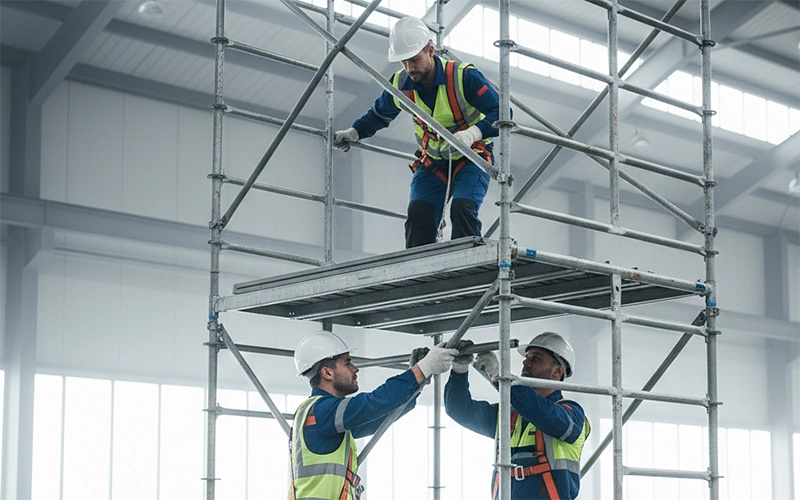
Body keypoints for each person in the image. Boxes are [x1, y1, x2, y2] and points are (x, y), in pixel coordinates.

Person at [333, 16, 500, 248]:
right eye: (404, 62)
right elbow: (379, 115)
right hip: (433, 162)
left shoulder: (463, 77)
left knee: (463, 209)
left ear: (430, 51)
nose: (410, 68)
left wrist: (472, 134)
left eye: (414, 60)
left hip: (471, 157)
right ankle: (418, 267)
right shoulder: (400, 84)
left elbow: (501, 112)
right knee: (418, 214)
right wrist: (354, 132)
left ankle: (467, 264)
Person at [289, 330, 457, 499]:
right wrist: (422, 369)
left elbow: (380, 418)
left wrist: (417, 382)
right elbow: (375, 402)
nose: (355, 369)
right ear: (327, 373)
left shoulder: (323, 416)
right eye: (347, 363)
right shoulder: (322, 412)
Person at [444, 332, 591, 500]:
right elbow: (459, 410)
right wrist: (459, 370)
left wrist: (499, 377)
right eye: (527, 357)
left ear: (557, 371)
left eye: (536, 358)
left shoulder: (572, 414)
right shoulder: (510, 414)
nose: (525, 362)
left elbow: (540, 411)